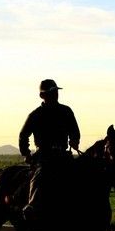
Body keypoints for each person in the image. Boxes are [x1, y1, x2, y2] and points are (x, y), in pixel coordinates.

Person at [19, 79, 80, 222]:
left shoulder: (66, 111)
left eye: (56, 92)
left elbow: (75, 131)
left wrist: (75, 140)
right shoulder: (36, 114)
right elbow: (23, 135)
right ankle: (32, 205)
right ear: (43, 96)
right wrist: (26, 153)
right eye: (52, 93)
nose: (55, 95)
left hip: (63, 154)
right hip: (43, 155)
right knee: (40, 174)